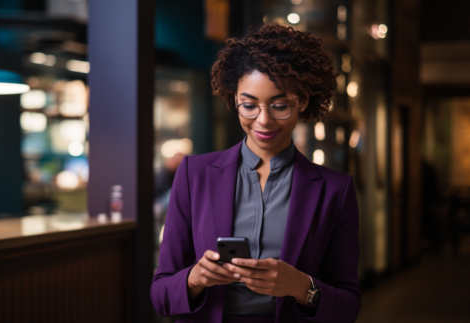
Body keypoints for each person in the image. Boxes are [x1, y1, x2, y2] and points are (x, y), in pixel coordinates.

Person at [151, 23, 360, 323]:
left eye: (280, 106)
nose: (263, 120)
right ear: (233, 99)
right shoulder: (193, 175)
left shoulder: (334, 190)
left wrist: (302, 287)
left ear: (302, 101)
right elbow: (161, 296)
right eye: (248, 105)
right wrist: (195, 278)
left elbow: (348, 307)